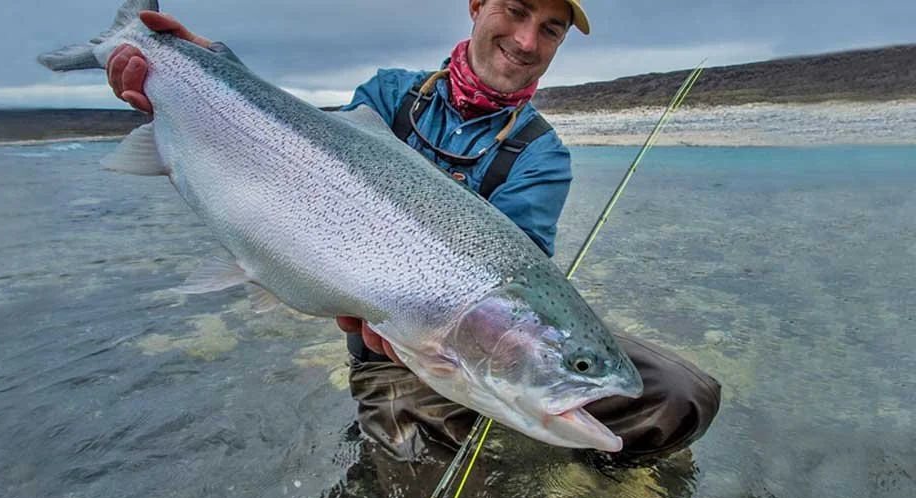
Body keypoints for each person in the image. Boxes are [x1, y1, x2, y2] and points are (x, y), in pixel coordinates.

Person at [106, 0, 721, 463]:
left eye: (552, 28)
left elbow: (528, 279)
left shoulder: (542, 155)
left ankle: (567, 448)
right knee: (417, 477)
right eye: (515, 9)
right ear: (478, 6)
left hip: (473, 345)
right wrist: (203, 73)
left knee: (681, 393)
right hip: (392, 357)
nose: (528, 39)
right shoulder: (389, 95)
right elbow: (287, 154)